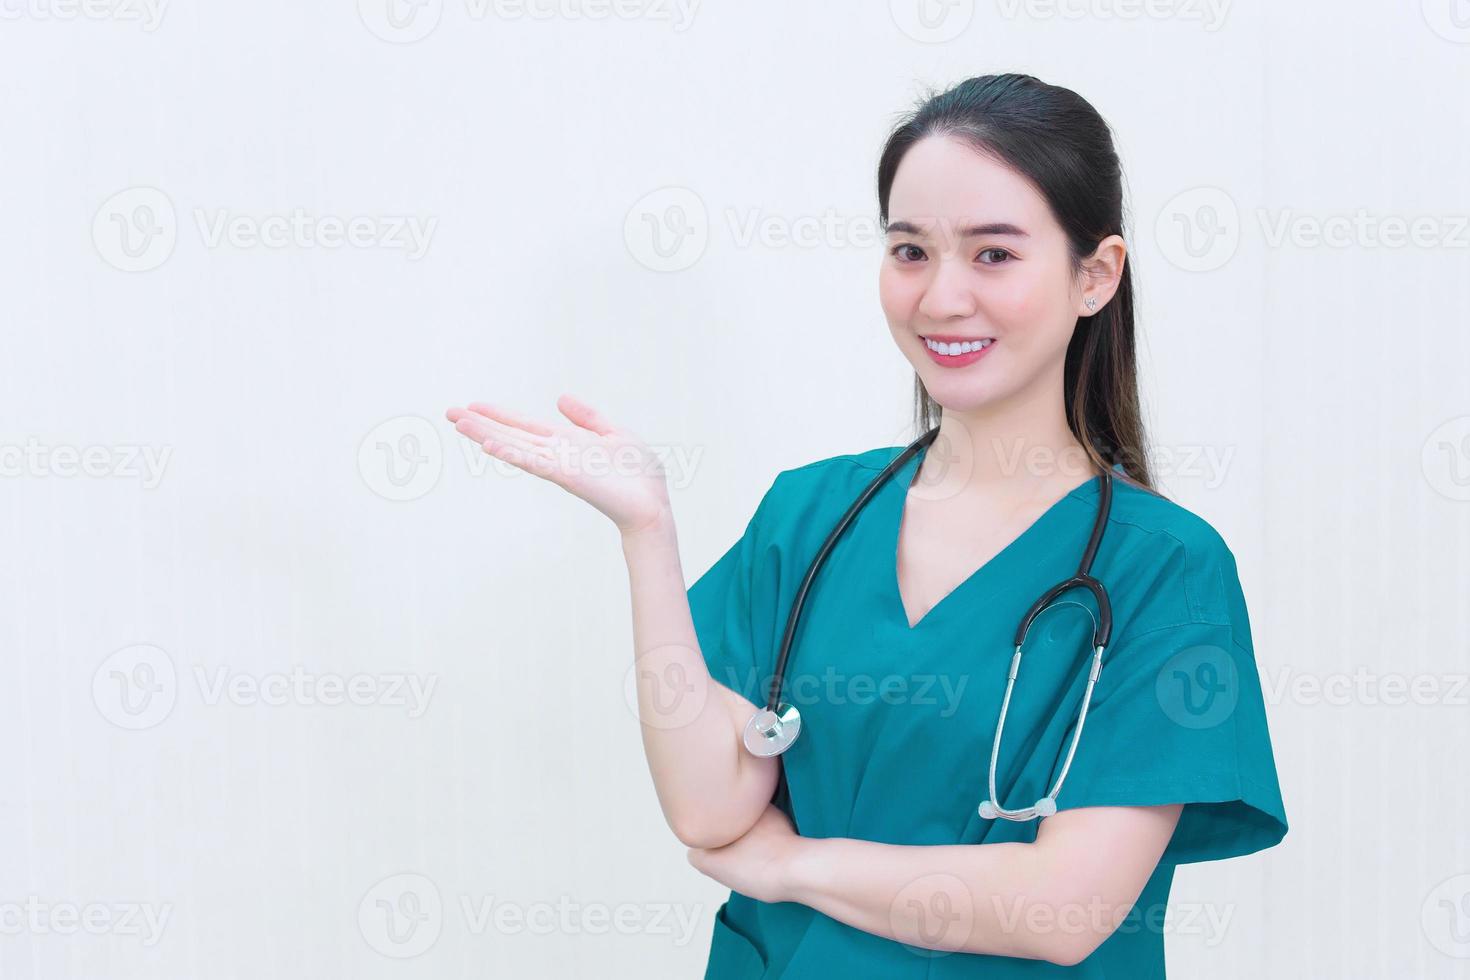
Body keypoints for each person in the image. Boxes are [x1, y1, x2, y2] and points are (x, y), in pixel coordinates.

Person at [446, 71, 1287, 979]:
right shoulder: (811, 518)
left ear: (1095, 275)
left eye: (994, 254)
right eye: (910, 251)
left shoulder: (1162, 569)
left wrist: (792, 864)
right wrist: (646, 534)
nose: (940, 298)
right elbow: (709, 809)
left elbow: (1063, 909)